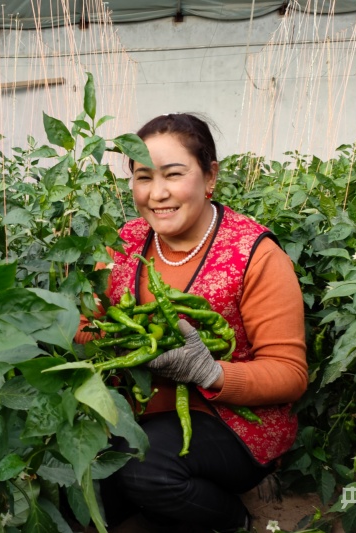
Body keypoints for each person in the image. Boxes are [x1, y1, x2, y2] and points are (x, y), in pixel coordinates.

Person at [74, 113, 308, 532]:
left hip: (232, 422)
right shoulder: (125, 243)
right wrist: (116, 344)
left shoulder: (255, 253)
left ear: (210, 176)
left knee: (145, 470)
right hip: (135, 414)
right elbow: (84, 325)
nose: (157, 193)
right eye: (143, 177)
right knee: (83, 491)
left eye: (173, 174)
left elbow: (290, 373)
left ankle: (233, 518)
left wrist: (212, 372)